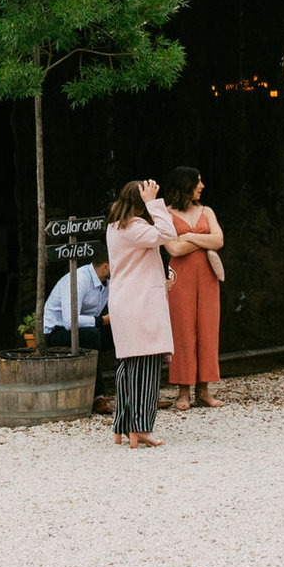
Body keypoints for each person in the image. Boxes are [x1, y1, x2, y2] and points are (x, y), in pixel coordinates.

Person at [103, 178, 179, 446]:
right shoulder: (136, 228)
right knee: (146, 367)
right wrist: (154, 204)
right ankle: (141, 427)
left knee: (128, 366)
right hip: (141, 303)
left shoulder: (115, 228)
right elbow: (168, 233)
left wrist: (163, 274)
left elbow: (138, 262)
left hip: (126, 301)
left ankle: (122, 425)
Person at [161, 165, 224, 409]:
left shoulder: (206, 211)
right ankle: (183, 391)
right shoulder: (165, 214)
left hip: (207, 277)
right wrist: (201, 240)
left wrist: (187, 237)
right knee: (183, 331)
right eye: (198, 182)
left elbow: (218, 240)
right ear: (186, 185)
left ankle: (204, 389)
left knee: (208, 329)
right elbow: (173, 250)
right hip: (180, 278)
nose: (202, 186)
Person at [41, 256, 111, 350]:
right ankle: (93, 365)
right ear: (106, 267)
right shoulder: (79, 279)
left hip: (84, 327)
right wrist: (102, 320)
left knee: (117, 329)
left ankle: (125, 364)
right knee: (92, 334)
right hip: (56, 331)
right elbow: (70, 322)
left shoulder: (108, 280)